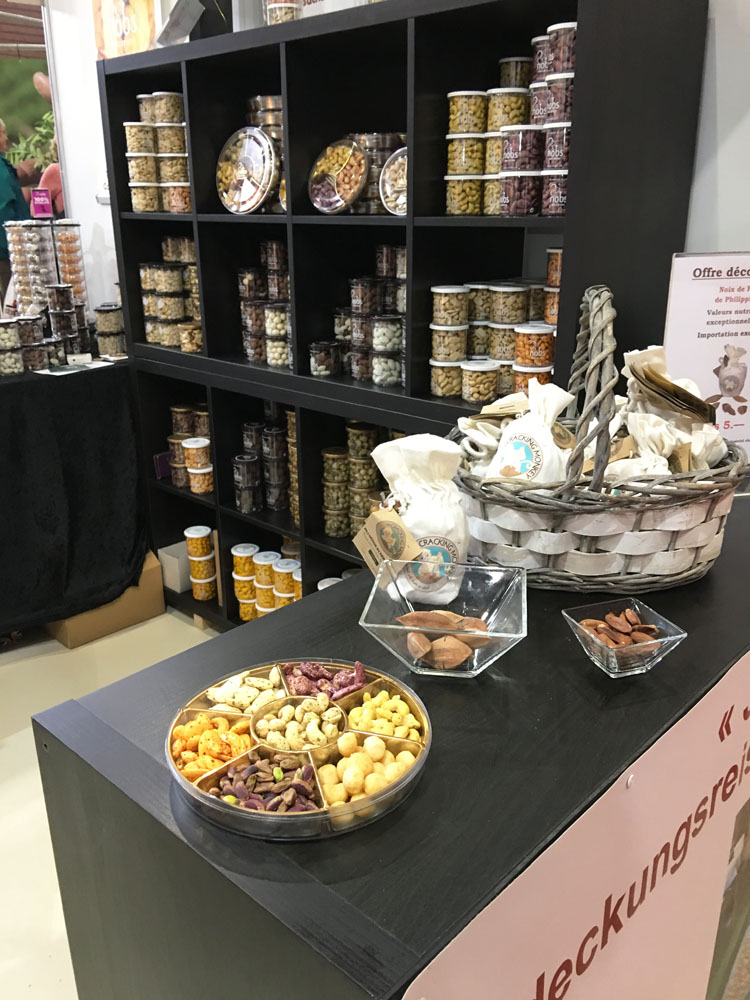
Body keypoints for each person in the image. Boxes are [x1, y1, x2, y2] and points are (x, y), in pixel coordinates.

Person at [0, 118, 31, 302]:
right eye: (2, 133)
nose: (5, 138)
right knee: (13, 303)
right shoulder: (1, 170)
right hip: (8, 254)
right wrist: (15, 250)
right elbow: (3, 210)